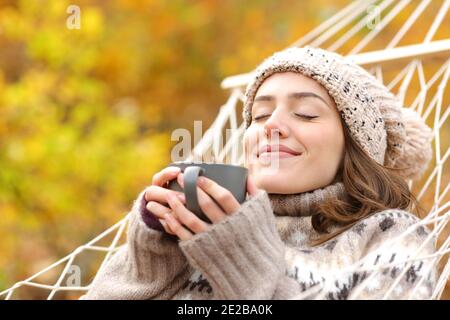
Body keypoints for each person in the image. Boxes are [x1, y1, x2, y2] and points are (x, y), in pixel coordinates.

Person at [80, 46, 437, 300]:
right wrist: (150, 261)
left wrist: (246, 263)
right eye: (260, 115)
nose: (273, 126)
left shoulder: (387, 235)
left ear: (354, 147)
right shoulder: (202, 227)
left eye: (306, 114)